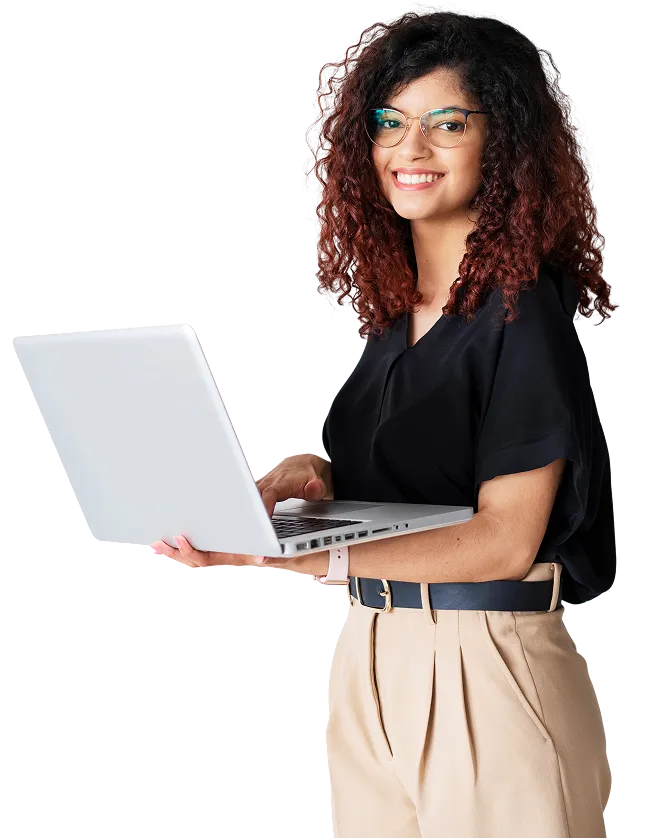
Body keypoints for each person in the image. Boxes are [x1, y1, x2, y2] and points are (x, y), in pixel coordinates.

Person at [152, 5, 617, 837]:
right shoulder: (400, 321)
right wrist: (313, 473)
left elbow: (503, 540)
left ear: (502, 144)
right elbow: (427, 480)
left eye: (448, 123)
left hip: (482, 661)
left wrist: (288, 556)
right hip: (371, 650)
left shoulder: (522, 314)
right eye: (389, 122)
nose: (411, 148)